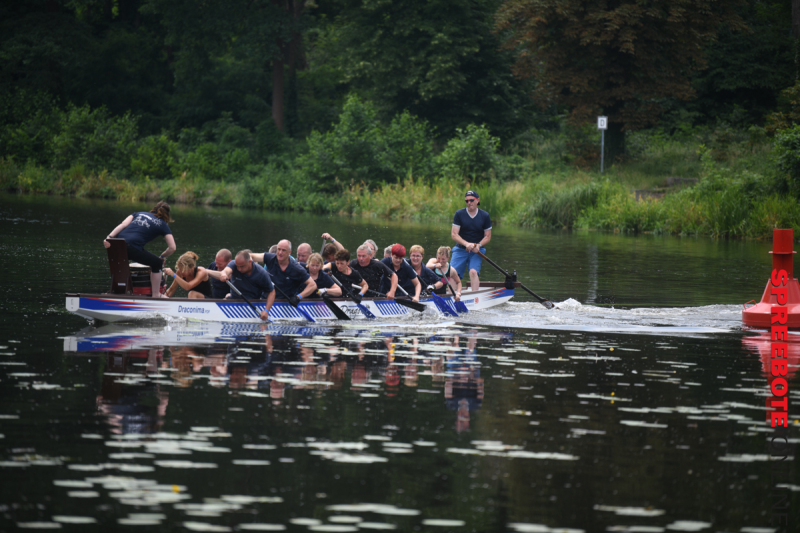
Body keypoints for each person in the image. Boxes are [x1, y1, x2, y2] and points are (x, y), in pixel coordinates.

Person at [103, 201, 176, 298]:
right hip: (132, 246)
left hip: (117, 245)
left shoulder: (138, 213)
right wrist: (162, 256)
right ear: (166, 216)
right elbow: (172, 248)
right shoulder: (163, 224)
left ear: (153, 209)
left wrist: (109, 237)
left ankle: (117, 291)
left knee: (122, 264)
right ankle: (156, 295)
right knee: (157, 263)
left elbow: (123, 224)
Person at [209, 249, 274, 321]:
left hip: (252, 304)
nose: (239, 269)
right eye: (237, 266)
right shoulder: (234, 264)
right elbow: (226, 271)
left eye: (242, 266)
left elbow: (271, 291)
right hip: (234, 300)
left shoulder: (261, 273)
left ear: (249, 262)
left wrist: (267, 310)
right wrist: (224, 274)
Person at [251, 239, 317, 302]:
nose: (280, 252)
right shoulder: (270, 258)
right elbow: (251, 256)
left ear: (289, 252)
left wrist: (298, 297)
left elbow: (313, 285)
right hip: (265, 301)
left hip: (284, 304)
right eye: (279, 249)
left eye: (283, 250)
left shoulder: (296, 268)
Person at [451, 190, 491, 291]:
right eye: (467, 201)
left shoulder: (485, 216)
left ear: (477, 200)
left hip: (477, 251)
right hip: (460, 249)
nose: (469, 203)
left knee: (473, 272)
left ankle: (475, 297)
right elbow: (454, 234)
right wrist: (466, 244)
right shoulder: (459, 214)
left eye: (471, 200)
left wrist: (479, 245)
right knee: (452, 273)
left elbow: (487, 236)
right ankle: (451, 296)